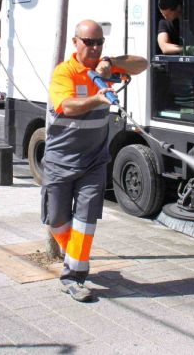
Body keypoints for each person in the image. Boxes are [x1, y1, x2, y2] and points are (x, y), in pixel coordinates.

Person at [42, 20, 148, 302]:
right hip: (59, 161)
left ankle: (74, 276)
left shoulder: (104, 67)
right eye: (89, 42)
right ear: (75, 43)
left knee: (86, 220)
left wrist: (110, 62)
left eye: (99, 42)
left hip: (93, 162)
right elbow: (66, 106)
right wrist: (97, 98)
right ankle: (74, 257)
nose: (95, 47)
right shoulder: (64, 73)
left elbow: (142, 64)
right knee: (57, 221)